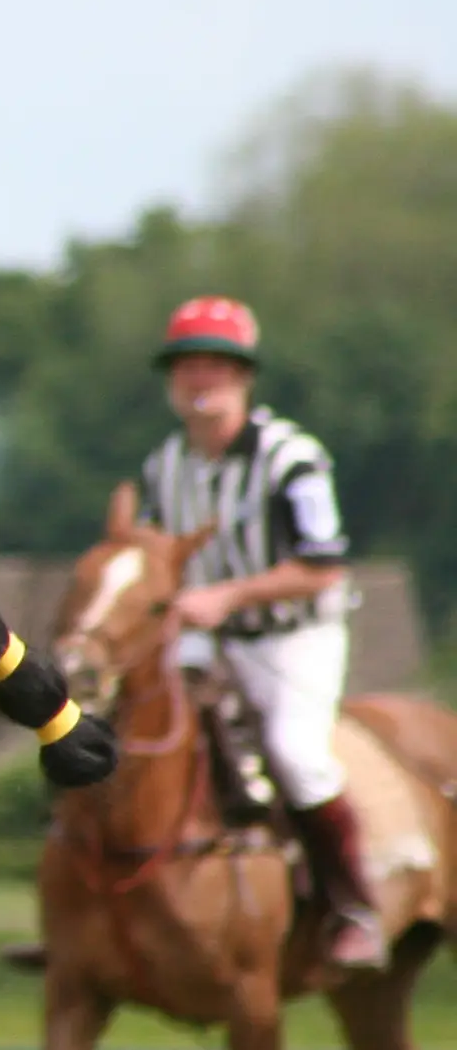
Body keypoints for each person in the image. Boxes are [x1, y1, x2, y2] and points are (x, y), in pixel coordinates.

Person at [140, 296, 382, 969]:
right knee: (137, 730)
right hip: (206, 640)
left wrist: (229, 595)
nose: (201, 381)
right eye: (189, 367)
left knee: (294, 752)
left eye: (218, 367)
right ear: (172, 380)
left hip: (292, 638)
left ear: (245, 377)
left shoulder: (293, 458)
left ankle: (353, 905)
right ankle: (105, 903)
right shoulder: (165, 466)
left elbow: (324, 568)